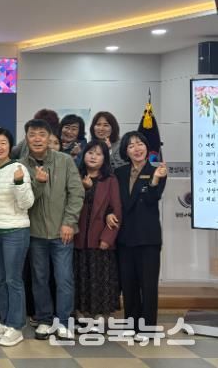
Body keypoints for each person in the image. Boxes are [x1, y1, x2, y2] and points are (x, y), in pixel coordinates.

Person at [20, 119, 84, 341]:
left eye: (42, 134)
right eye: (32, 134)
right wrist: (37, 183)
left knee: (64, 278)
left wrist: (69, 222)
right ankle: (44, 320)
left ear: (49, 138)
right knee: (39, 278)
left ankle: (64, 322)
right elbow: (24, 200)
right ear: (26, 138)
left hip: (61, 232)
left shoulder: (64, 161)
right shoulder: (21, 165)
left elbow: (76, 193)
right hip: (35, 233)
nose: (37, 139)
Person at [0, 128, 34, 347]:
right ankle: (4, 321)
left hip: (15, 232)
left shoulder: (19, 168)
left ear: (9, 146)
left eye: (3, 143)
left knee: (13, 279)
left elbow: (27, 203)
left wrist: (19, 183)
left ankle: (16, 326)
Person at [112, 131, 167, 340]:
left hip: (148, 238)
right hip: (125, 237)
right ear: (126, 151)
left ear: (146, 147)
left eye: (140, 144)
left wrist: (154, 181)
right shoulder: (119, 172)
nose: (137, 148)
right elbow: (114, 201)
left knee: (148, 285)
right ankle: (131, 324)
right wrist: (109, 213)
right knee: (129, 284)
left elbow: (152, 198)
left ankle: (147, 328)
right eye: (131, 145)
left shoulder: (157, 170)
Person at [74, 141, 122, 326]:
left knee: (100, 278)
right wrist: (83, 188)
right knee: (80, 277)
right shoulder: (76, 176)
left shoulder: (110, 180)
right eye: (90, 152)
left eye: (98, 154)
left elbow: (116, 211)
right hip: (78, 238)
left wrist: (107, 238)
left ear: (105, 159)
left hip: (100, 240)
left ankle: (100, 315)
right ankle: (81, 312)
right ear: (84, 155)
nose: (93, 156)